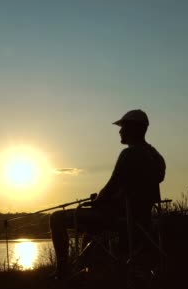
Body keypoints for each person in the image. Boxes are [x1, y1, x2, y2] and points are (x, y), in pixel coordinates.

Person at [49, 109, 166, 277]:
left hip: (119, 219)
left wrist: (97, 200)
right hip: (142, 219)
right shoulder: (156, 157)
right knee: (92, 225)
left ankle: (62, 271)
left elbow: (112, 186)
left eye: (123, 127)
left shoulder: (128, 154)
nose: (120, 131)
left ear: (134, 128)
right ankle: (90, 268)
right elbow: (132, 188)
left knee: (56, 218)